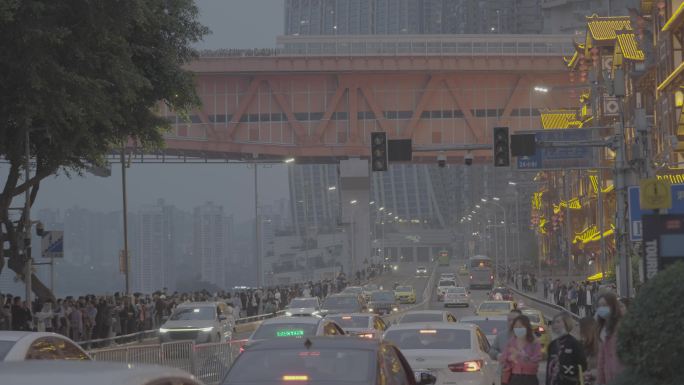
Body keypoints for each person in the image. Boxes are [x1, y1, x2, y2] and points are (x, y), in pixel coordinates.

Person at [499, 314, 543, 385]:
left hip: (530, 378)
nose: (518, 329)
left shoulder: (534, 343)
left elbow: (535, 362)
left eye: (521, 326)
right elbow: (504, 360)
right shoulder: (511, 343)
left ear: (527, 327)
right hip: (514, 378)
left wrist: (519, 355)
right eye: (516, 327)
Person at [545, 312, 586, 385]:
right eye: (554, 322)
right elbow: (548, 370)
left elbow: (583, 366)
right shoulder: (552, 344)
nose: (555, 325)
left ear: (566, 323)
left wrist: (563, 369)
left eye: (558, 322)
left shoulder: (575, 344)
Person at [596, 292, 624, 385]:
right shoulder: (602, 329)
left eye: (604, 305)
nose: (602, 308)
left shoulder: (622, 326)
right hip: (608, 377)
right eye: (599, 306)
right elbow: (601, 360)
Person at [579, 317, 599, 385]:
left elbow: (607, 369)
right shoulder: (582, 346)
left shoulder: (600, 347)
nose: (579, 332)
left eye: (581, 329)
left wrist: (590, 373)